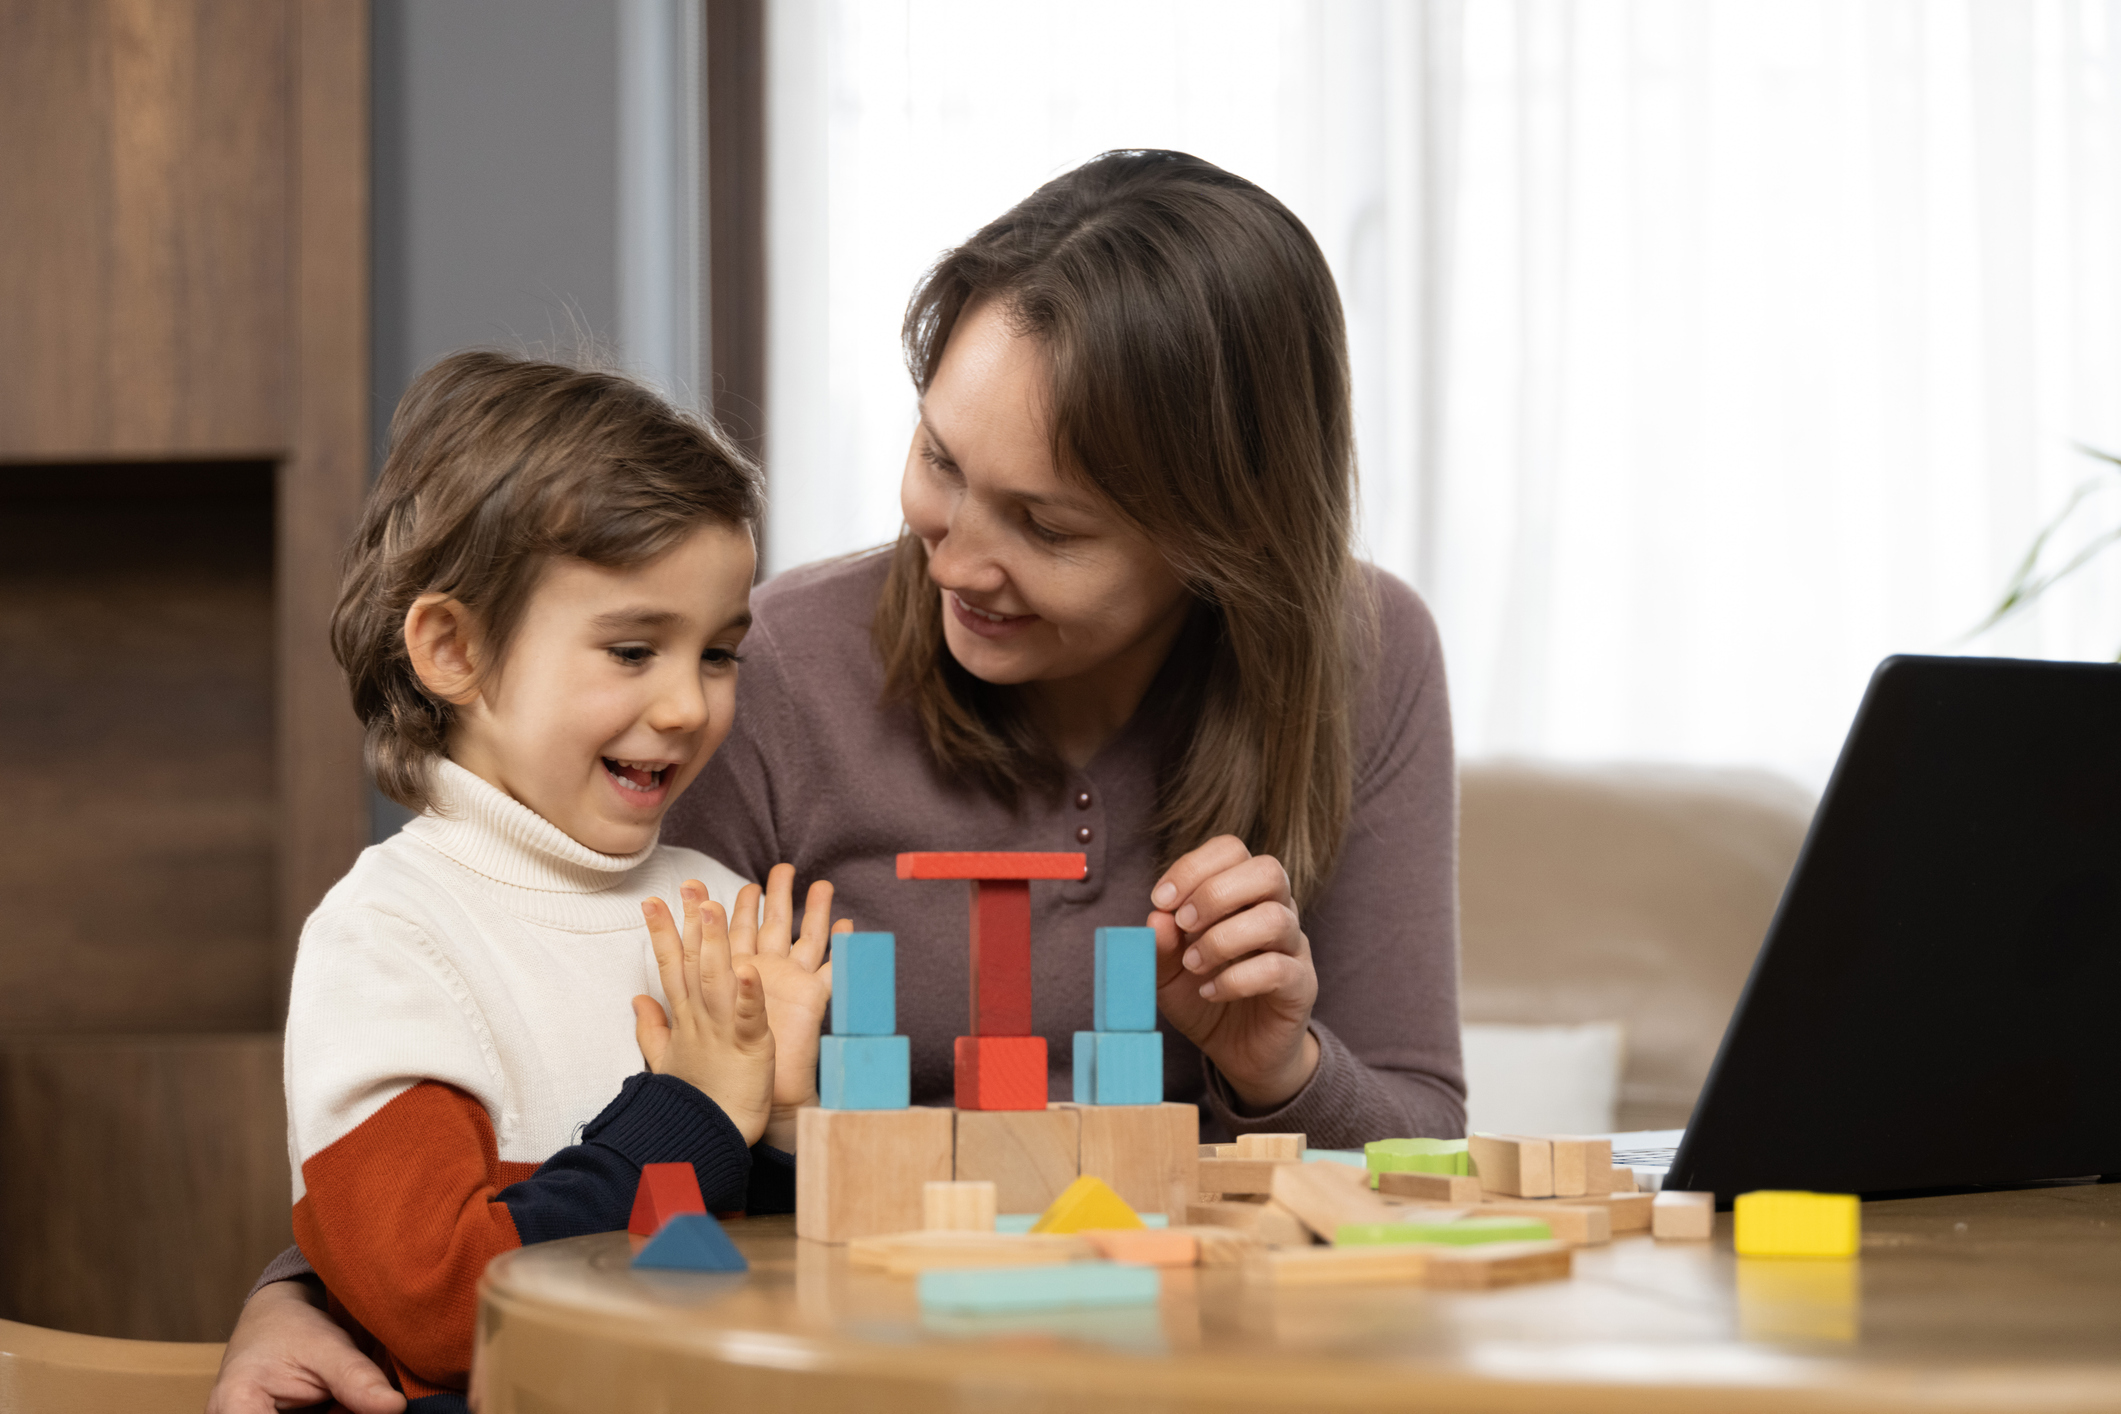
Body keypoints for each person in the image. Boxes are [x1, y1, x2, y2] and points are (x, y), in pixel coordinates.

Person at [210, 150, 1463, 1410]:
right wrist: (305, 1288)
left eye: (1049, 525)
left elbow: (1422, 1162)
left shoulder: (1368, 659)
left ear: (1221, 540)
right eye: (941, 460)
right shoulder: (769, 675)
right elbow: (583, 1097)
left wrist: (1275, 1066)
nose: (958, 557)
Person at [260, 352, 838, 1412]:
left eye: (718, 654)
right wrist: (701, 1106)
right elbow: (442, 1304)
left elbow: (782, 1295)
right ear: (453, 650)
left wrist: (793, 1123)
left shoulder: (718, 904)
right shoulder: (388, 937)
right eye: (631, 649)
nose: (686, 707)